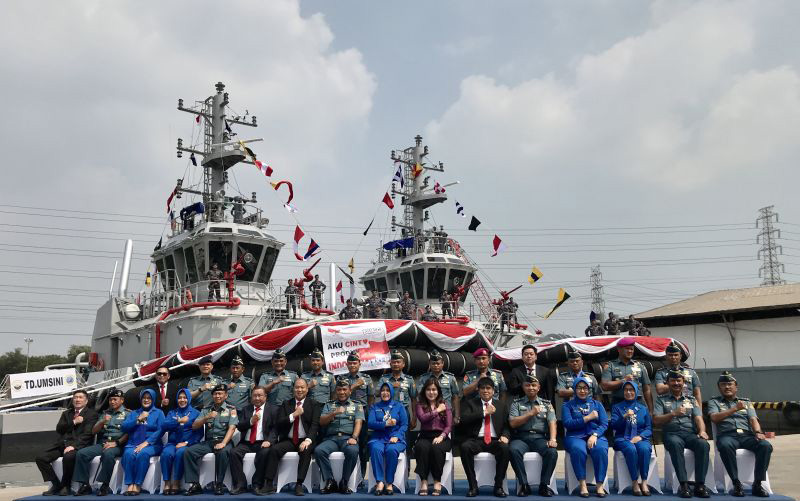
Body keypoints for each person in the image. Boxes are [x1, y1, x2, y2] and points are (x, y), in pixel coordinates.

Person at [707, 371, 772, 498]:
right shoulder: (713, 402)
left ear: (736, 387)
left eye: (730, 384)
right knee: (725, 446)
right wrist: (735, 409)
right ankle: (736, 483)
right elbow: (714, 418)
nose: (727, 387)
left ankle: (757, 484)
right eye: (723, 384)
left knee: (765, 446)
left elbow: (753, 419)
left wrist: (758, 432)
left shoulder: (746, 402)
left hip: (746, 436)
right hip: (727, 436)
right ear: (719, 387)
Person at [653, 370, 710, 499]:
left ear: (684, 383)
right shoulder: (661, 400)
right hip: (672, 434)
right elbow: (656, 420)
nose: (676, 383)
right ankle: (683, 484)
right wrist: (673, 413)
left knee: (703, 445)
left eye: (679, 381)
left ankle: (700, 484)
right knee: (675, 444)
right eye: (673, 381)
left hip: (690, 433)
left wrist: (702, 431)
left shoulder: (691, 399)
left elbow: (698, 418)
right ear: (667, 383)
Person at [36, 389, 99, 496]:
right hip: (62, 444)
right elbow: (59, 429)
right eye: (75, 397)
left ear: (86, 401)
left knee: (68, 457)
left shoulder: (91, 414)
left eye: (80, 397)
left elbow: (88, 434)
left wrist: (74, 446)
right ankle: (56, 484)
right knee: (41, 458)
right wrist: (74, 422)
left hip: (78, 445)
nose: (77, 399)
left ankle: (66, 485)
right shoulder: (66, 413)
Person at [264, 378, 320, 496]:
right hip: (289, 440)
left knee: (305, 451)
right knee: (274, 449)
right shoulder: (286, 403)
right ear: (293, 389)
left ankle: (299, 484)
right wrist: (293, 415)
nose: (299, 390)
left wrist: (307, 440)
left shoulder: (314, 404)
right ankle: (269, 483)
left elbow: (315, 425)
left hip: (305, 439)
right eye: (297, 387)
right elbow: (279, 423)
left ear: (307, 389)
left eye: (302, 387)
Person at [459, 377, 510, 498]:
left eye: (488, 388)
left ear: (493, 390)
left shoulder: (501, 405)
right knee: (465, 447)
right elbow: (464, 420)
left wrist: (505, 435)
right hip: (476, 440)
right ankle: (473, 486)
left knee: (505, 448)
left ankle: (498, 486)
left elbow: (507, 426)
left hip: (494, 440)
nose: (485, 391)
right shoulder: (471, 403)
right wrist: (484, 413)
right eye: (482, 388)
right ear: (478, 390)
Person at [183, 385, 238, 496]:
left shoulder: (231, 409)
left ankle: (219, 484)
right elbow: (194, 426)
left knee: (222, 452)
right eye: (215, 394)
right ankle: (195, 484)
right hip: (209, 442)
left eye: (220, 393)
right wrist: (206, 417)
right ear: (212, 395)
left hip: (224, 440)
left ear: (226, 395)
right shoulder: (206, 409)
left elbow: (232, 428)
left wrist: (223, 443)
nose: (217, 396)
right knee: (189, 452)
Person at [509, 375, 557, 497]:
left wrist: (552, 439)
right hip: (521, 438)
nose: (531, 388)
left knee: (552, 452)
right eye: (528, 385)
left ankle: (544, 485)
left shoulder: (547, 404)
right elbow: (513, 423)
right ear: (523, 387)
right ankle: (524, 485)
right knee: (513, 450)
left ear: (539, 387)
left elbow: (552, 422)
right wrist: (530, 413)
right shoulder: (516, 404)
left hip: (540, 438)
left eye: (534, 385)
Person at [73, 389, 128, 496]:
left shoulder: (128, 414)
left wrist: (116, 443)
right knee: (81, 453)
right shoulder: (105, 413)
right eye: (111, 400)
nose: (112, 402)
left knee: (108, 454)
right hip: (103, 443)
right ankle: (85, 485)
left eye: (115, 400)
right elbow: (94, 431)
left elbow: (129, 433)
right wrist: (102, 421)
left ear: (122, 400)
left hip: (118, 444)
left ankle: (104, 485)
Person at [314, 379, 364, 495]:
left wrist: (354, 437)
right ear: (336, 391)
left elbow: (358, 423)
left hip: (348, 438)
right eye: (339, 390)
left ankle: (344, 482)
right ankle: (330, 480)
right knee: (319, 450)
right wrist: (333, 413)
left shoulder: (357, 405)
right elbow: (321, 422)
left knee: (353, 450)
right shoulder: (329, 404)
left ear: (350, 391)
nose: (342, 392)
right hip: (331, 439)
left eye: (344, 389)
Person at [562, 377, 609, 498]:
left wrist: (595, 435)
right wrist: (587, 418)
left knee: (600, 450)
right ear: (574, 389)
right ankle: (582, 484)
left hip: (595, 436)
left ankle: (599, 484)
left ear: (589, 390)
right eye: (579, 388)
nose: (582, 391)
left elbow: (604, 424)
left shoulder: (597, 404)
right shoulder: (568, 406)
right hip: (574, 436)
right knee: (578, 450)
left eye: (585, 388)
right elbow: (568, 423)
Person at [230, 386, 277, 495]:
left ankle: (257, 484)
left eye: (259, 395)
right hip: (246, 442)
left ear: (265, 397)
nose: (257, 398)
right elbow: (240, 426)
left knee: (265, 453)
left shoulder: (273, 409)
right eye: (254, 396)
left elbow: (276, 429)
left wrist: (269, 441)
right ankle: (241, 484)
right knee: (233, 452)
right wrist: (251, 421)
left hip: (262, 442)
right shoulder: (246, 409)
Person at [611, 381, 653, 496]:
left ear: (636, 392)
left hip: (640, 437)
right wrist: (624, 417)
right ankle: (634, 481)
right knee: (631, 449)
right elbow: (614, 426)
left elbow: (649, 428)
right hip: (622, 438)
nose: (629, 392)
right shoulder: (617, 407)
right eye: (626, 390)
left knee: (644, 449)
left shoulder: (643, 408)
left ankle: (644, 481)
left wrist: (640, 437)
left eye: (631, 390)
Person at [120, 389, 165, 496]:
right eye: (144, 398)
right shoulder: (134, 413)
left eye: (149, 398)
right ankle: (130, 483)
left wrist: (147, 442)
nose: (146, 400)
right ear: (140, 399)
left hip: (152, 444)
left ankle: (138, 484)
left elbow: (161, 430)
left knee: (143, 454)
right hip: (133, 443)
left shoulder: (158, 413)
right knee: (128, 454)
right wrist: (137, 420)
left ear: (153, 399)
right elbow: (124, 427)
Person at [367, 382, 409, 495]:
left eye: (387, 390)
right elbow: (370, 423)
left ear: (391, 392)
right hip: (378, 438)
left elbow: (404, 425)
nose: (385, 393)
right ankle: (380, 481)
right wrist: (385, 424)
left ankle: (389, 483)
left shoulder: (399, 406)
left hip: (395, 438)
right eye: (383, 390)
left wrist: (397, 436)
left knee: (391, 450)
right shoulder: (374, 407)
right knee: (376, 449)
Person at [414, 378, 452, 497]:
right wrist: (437, 410)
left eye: (434, 389)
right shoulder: (420, 405)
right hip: (425, 435)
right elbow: (422, 418)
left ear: (438, 391)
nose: (431, 392)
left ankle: (437, 481)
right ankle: (424, 481)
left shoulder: (445, 404)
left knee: (436, 449)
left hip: (442, 436)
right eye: (429, 389)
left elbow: (449, 425)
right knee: (421, 448)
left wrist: (442, 436)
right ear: (424, 391)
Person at [160, 389, 203, 495]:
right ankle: (166, 482)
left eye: (184, 397)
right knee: (166, 454)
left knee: (180, 453)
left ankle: (176, 482)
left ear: (189, 399)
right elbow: (165, 425)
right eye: (180, 398)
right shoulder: (172, 412)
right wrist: (178, 421)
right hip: (172, 443)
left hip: (188, 443)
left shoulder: (196, 413)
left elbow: (199, 433)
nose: (182, 400)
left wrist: (187, 442)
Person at [342, 351, 374, 482]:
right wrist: (354, 386)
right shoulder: (342, 379)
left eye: (355, 363)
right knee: (348, 442)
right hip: (347, 412)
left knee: (363, 444)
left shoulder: (367, 378)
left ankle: (361, 476)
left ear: (360, 364)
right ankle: (347, 475)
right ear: (347, 364)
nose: (352, 365)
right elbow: (341, 396)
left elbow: (371, 397)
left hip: (363, 412)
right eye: (350, 363)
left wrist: (369, 413)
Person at [601, 337, 653, 410]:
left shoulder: (640, 366)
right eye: (627, 348)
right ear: (619, 350)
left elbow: (647, 389)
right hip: (618, 404)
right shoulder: (610, 366)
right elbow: (604, 386)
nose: (630, 351)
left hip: (638, 403)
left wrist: (651, 410)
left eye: (632, 349)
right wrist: (623, 381)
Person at [415, 351, 460, 425]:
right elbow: (420, 395)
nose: (436, 365)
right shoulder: (423, 378)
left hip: (446, 414)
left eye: (438, 363)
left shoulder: (450, 378)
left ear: (442, 363)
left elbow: (455, 397)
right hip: (429, 413)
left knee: (447, 434)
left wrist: (457, 416)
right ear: (430, 364)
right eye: (433, 363)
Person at [376, 350, 417, 430]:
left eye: (398, 362)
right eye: (393, 362)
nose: (396, 364)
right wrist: (390, 386)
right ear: (390, 364)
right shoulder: (384, 378)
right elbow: (376, 393)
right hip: (387, 412)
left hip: (403, 411)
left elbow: (414, 399)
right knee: (387, 437)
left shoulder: (409, 380)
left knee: (404, 437)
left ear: (403, 364)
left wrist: (414, 418)